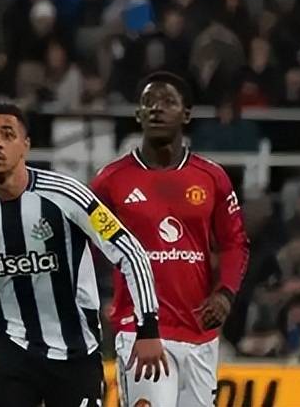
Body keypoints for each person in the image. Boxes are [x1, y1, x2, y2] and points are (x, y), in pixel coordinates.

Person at [0, 103, 166, 407]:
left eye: (8, 135)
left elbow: (130, 252)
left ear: (26, 145)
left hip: (75, 352)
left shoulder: (68, 195)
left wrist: (148, 328)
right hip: (11, 351)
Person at [91, 71, 249, 407]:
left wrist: (225, 293)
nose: (156, 109)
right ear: (138, 114)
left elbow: (235, 243)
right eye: (148, 102)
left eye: (167, 102)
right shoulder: (110, 181)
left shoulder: (212, 177)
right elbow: (87, 246)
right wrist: (100, 298)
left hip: (199, 331)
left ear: (186, 114)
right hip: (141, 331)